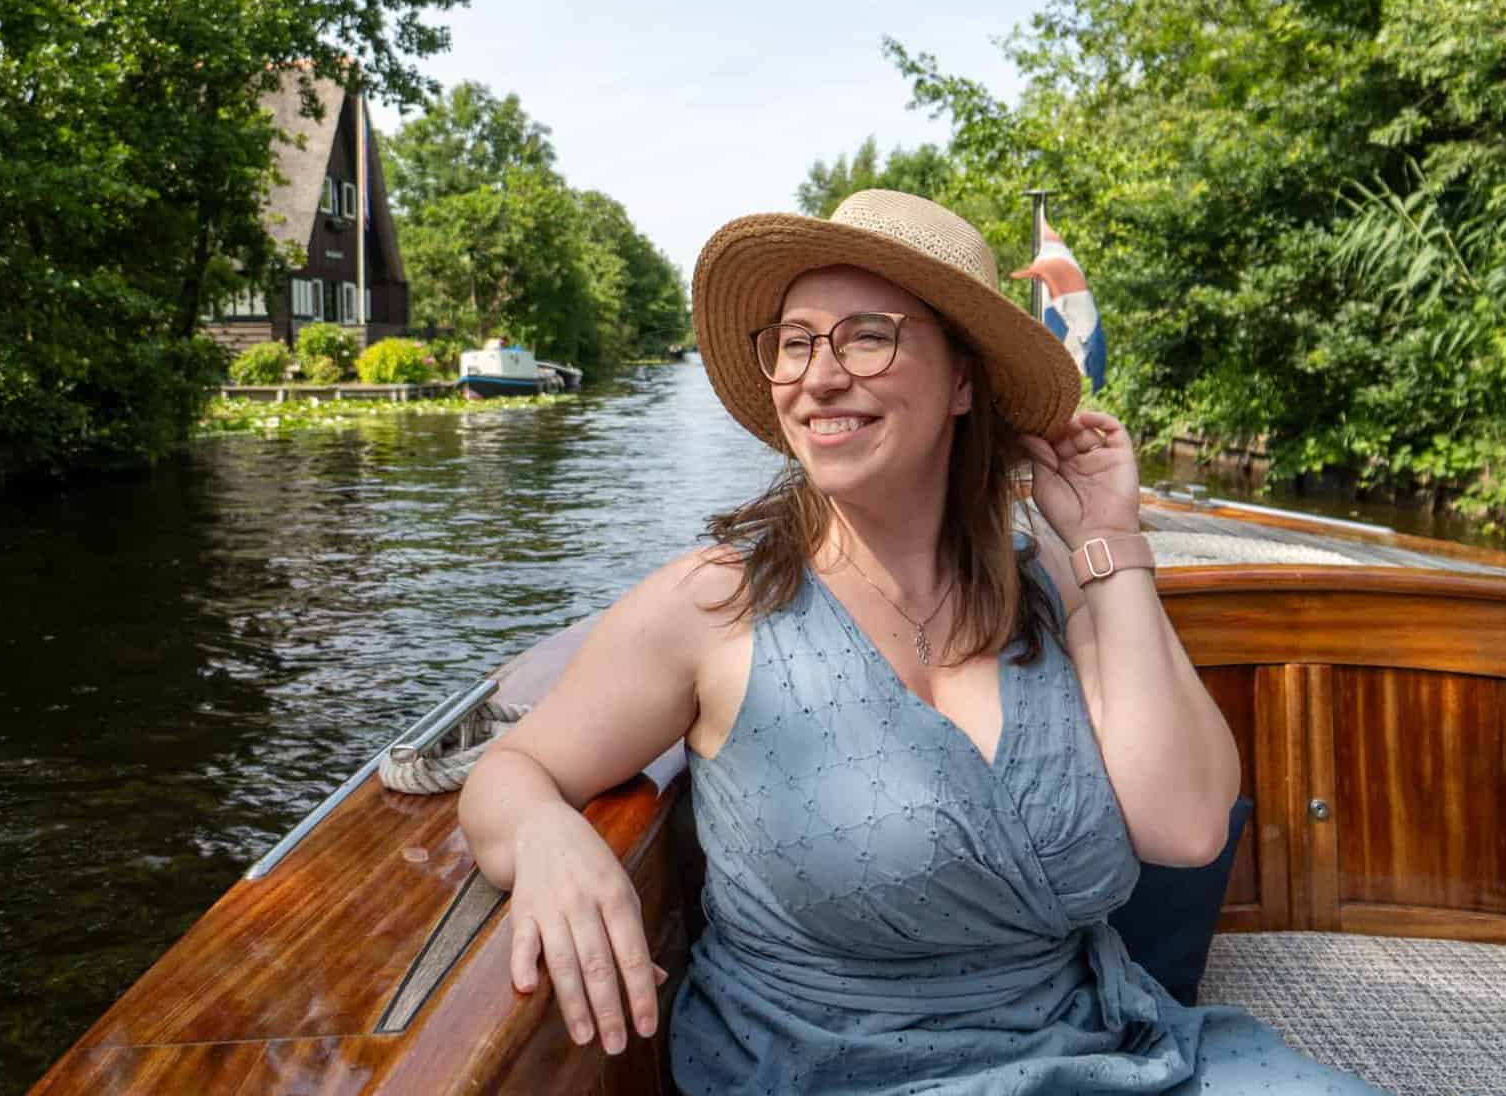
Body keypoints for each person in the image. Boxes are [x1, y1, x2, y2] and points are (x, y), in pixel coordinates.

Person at [458, 190, 1380, 1093]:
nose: (820, 375)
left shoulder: (1054, 591)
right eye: (794, 343)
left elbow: (1183, 828)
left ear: (964, 379)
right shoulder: (714, 607)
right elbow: (510, 771)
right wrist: (546, 837)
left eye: (868, 335)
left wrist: (1109, 542)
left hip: (1100, 1053)